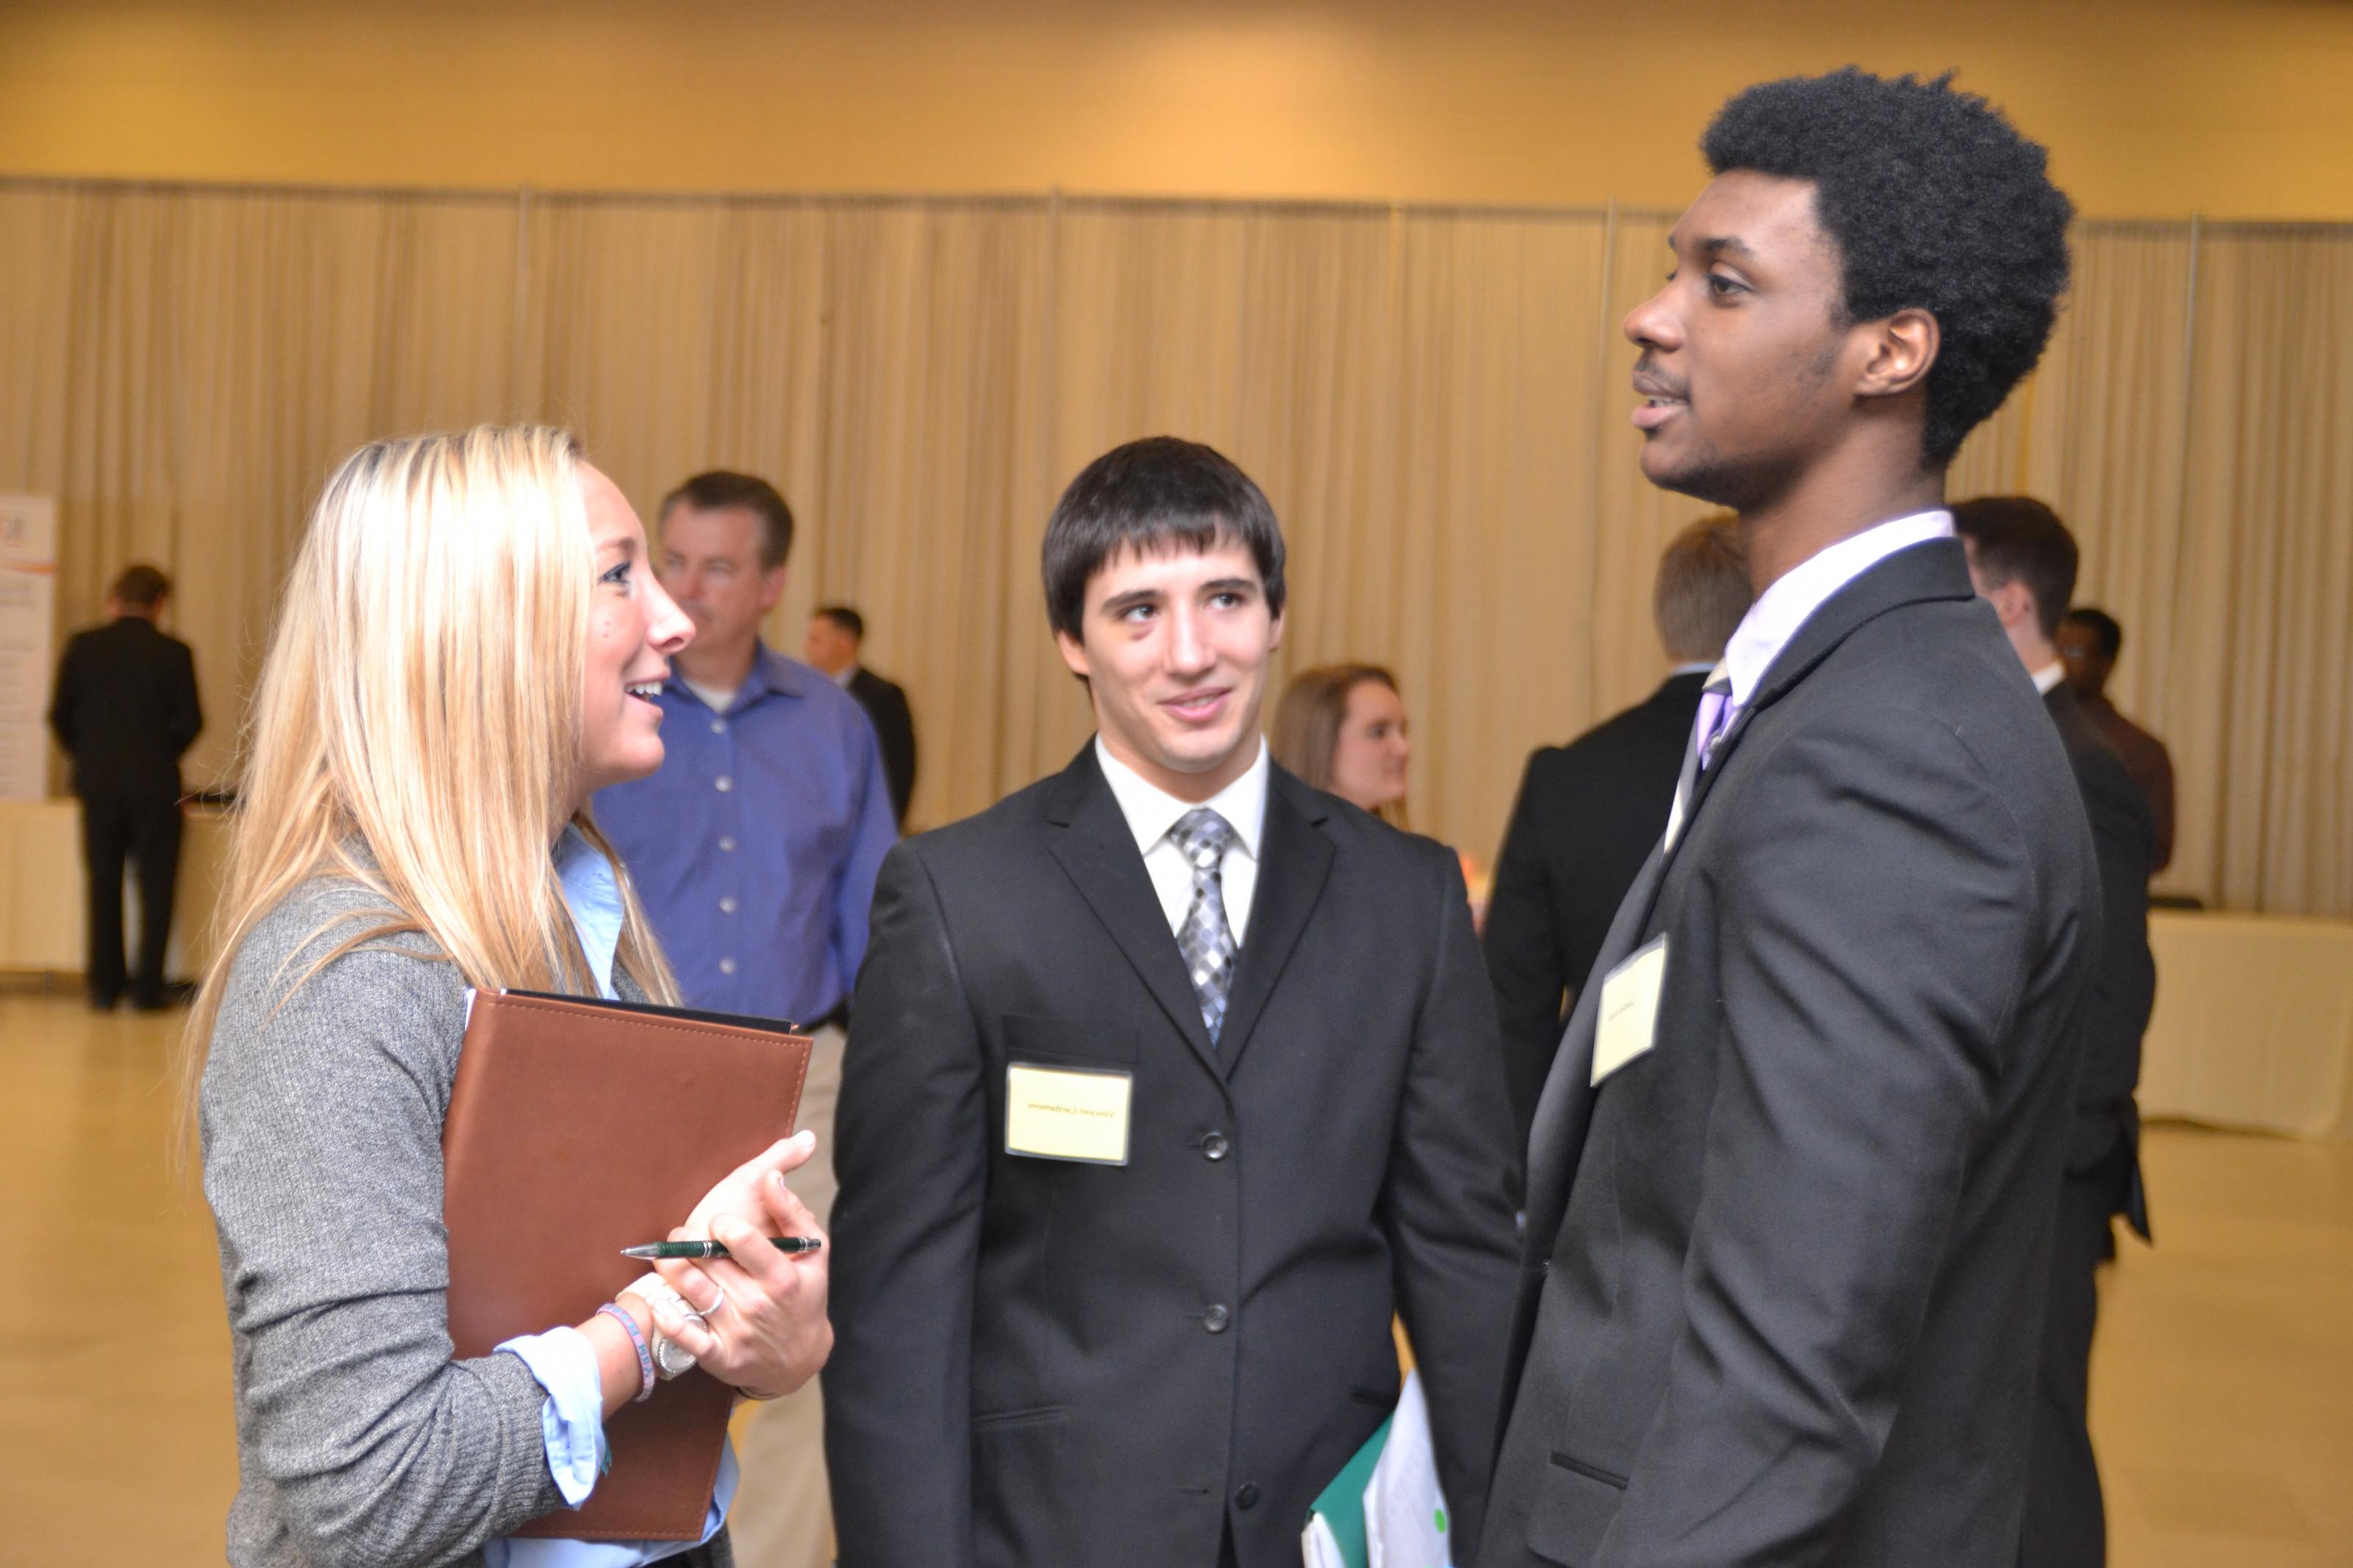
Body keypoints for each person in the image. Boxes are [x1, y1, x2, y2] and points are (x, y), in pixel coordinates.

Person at [1485, 70, 2099, 1568]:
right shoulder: (1836, 692)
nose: (1650, 315)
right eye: (1670, 268)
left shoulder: (1895, 758)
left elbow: (1786, 1386)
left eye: (1724, 281)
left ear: (1888, 351)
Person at [824, 436, 1519, 1568]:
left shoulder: (1409, 897)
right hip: (1052, 1530)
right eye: (1138, 611)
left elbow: (1465, 1264)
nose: (1191, 653)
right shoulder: (962, 896)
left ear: (1277, 615)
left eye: (1225, 599)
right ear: (1072, 641)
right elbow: (900, 1306)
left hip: (1324, 1522)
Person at [189, 427, 833, 1568]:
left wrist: (771, 1337)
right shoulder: (345, 980)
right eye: (620, 575)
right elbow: (369, 1491)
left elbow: (639, 1312)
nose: (676, 622)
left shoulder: (595, 910)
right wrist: (662, 1322)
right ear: (477, 632)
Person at [593, 470, 896, 1568]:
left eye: (719, 567)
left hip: (798, 1081)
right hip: (635, 1075)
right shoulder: (608, 706)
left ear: (772, 584)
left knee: (814, 1336)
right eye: (671, 561)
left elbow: (873, 914)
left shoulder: (834, 723)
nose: (686, 589)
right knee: (638, 1326)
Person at [1955, 497, 2157, 1568]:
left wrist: (2053, 1165)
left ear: (2012, 602)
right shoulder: (2010, 736)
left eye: (1956, 584)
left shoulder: (2082, 766)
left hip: (2047, 1167)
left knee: (2039, 1437)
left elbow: (2117, 989)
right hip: (1997, 1156)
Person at [1482, 515, 1751, 1145]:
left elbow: (1514, 1006)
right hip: (1749, 1137)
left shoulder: (1565, 776)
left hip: (1599, 1137)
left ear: (1665, 620)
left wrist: (1522, 1187)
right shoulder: (1795, 753)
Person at [47, 562, 202, 1010]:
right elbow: (192, 720)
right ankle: (147, 986)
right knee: (156, 886)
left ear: (113, 599)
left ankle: (104, 986)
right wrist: (160, 753)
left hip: (99, 785)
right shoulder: (174, 652)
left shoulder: (83, 647)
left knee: (103, 881)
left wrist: (89, 754)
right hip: (155, 786)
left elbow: (59, 715)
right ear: (159, 604)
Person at [2057, 606, 2177, 871]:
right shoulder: (2032, 731)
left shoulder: (2141, 750)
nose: (2061, 661)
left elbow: (2157, 850)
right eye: (2056, 649)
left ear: (2105, 663)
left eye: (2074, 652)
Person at [804, 604, 918, 827]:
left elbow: (897, 769)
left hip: (860, 823)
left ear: (846, 641)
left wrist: (885, 826)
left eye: (816, 640)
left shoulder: (882, 696)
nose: (807, 647)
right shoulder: (804, 694)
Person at [1269, 663, 1410, 825]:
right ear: (1320, 744)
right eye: (1378, 732)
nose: (1403, 748)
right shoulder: (1270, 847)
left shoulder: (1403, 848)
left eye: (1403, 731)